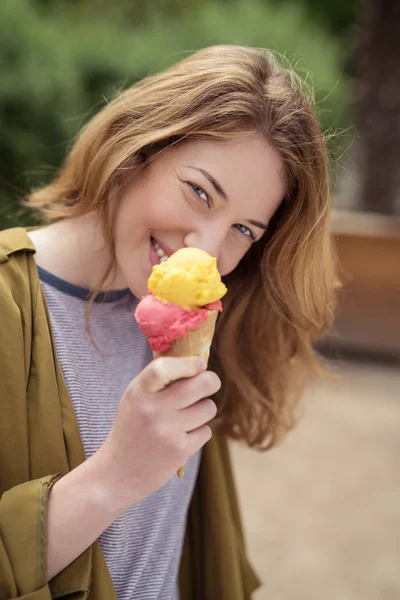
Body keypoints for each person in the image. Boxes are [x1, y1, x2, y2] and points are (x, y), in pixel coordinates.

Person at [0, 45, 337, 600]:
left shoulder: (203, 330)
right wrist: (115, 474)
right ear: (138, 145)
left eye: (244, 230)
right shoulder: (11, 300)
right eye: (200, 192)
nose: (207, 248)